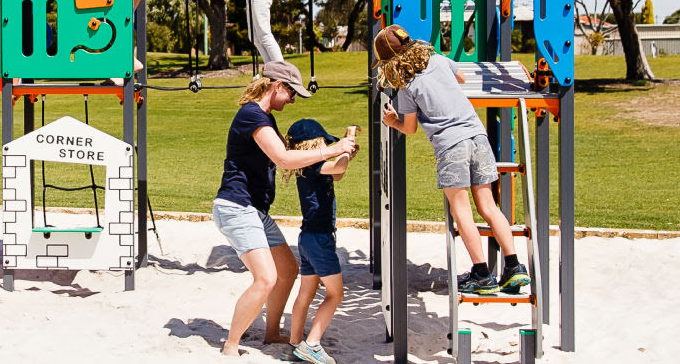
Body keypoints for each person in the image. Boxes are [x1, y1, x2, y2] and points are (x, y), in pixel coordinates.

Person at [213, 61, 357, 357]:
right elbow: (283, 158)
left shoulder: (264, 117)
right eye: (291, 93)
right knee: (265, 277)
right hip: (236, 207)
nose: (292, 100)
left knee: (288, 268)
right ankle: (230, 346)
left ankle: (271, 331)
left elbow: (297, 155)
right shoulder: (250, 116)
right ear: (277, 86)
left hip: (254, 210)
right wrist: (333, 148)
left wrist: (341, 151)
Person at [373, 25, 529, 294]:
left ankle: (482, 274)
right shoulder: (438, 60)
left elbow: (409, 128)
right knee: (489, 207)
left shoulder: (408, 86)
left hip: (450, 145)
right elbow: (461, 78)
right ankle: (514, 266)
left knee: (462, 211)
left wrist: (391, 120)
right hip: (478, 137)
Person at [280, 120, 358, 364]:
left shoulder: (309, 166)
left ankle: (295, 342)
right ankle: (312, 344)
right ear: (313, 144)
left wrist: (347, 152)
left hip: (307, 238)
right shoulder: (313, 164)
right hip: (320, 239)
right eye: (324, 142)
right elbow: (338, 168)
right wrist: (349, 137)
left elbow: (338, 173)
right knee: (336, 295)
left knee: (306, 292)